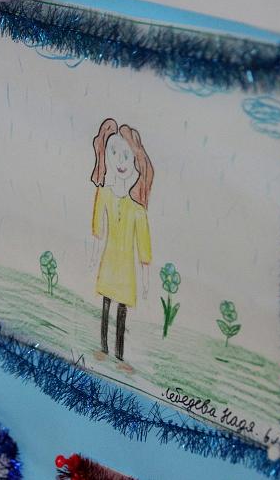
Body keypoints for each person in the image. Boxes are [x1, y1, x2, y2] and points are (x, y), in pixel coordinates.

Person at [89, 118, 154, 371]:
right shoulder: (104, 194)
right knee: (107, 303)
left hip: (126, 268)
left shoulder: (137, 210)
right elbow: (98, 229)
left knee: (121, 309)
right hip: (108, 261)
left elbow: (144, 247)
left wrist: (146, 281)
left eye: (127, 156)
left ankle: (119, 354)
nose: (121, 161)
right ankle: (103, 347)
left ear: (136, 163)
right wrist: (93, 257)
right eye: (115, 153)